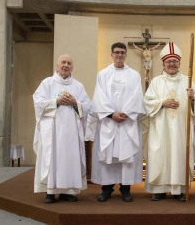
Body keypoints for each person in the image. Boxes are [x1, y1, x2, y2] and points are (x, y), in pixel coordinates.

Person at [143, 42, 195, 202]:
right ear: (163, 63)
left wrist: (193, 98)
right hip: (161, 129)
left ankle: (180, 189)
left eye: (174, 61)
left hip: (181, 130)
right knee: (160, 155)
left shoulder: (188, 82)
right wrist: (163, 103)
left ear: (179, 63)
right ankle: (159, 190)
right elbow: (147, 101)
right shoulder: (156, 82)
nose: (172, 64)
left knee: (179, 154)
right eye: (168, 61)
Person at [33, 54, 91, 204]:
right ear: (57, 65)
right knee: (53, 158)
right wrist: (56, 102)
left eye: (69, 63)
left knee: (70, 158)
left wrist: (75, 103)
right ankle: (51, 192)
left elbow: (87, 106)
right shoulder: (47, 83)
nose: (66, 65)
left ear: (72, 67)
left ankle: (68, 191)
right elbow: (38, 102)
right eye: (63, 63)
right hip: (53, 131)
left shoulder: (78, 86)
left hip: (71, 132)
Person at [91, 42, 146, 202]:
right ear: (111, 54)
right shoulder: (103, 74)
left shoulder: (134, 75)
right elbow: (99, 97)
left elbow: (137, 96)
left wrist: (126, 114)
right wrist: (111, 114)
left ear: (126, 55)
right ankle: (106, 189)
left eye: (122, 52)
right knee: (108, 156)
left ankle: (125, 189)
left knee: (126, 156)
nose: (119, 55)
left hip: (127, 122)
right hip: (109, 122)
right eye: (116, 52)